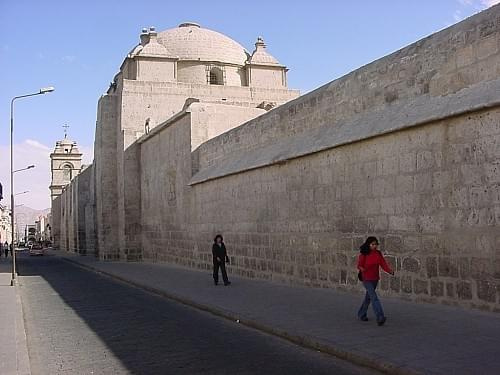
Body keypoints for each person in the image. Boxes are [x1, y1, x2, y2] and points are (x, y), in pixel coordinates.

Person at [357, 236, 394, 326]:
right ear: (368, 244)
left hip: (375, 279)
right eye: (372, 244)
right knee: (374, 298)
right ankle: (380, 316)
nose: (374, 246)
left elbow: (383, 263)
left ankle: (361, 314)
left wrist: (389, 271)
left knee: (368, 297)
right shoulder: (364, 254)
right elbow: (359, 265)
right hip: (366, 279)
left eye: (375, 244)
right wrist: (362, 269)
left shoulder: (378, 253)